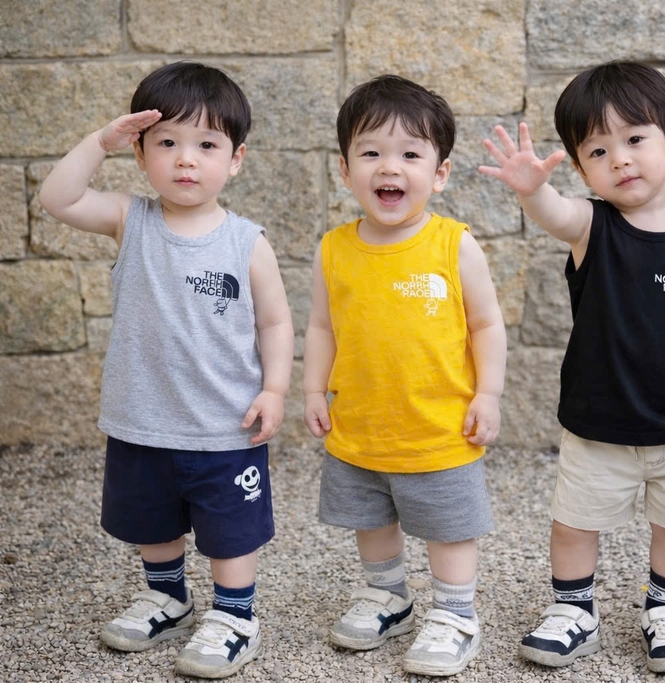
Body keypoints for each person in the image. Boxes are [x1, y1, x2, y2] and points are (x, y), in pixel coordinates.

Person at [479, 60, 665, 673]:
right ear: (582, 170)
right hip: (599, 422)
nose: (620, 160)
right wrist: (531, 190)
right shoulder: (591, 225)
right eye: (599, 151)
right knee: (576, 522)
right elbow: (555, 212)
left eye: (635, 139)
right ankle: (574, 609)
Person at [38, 62, 293, 679]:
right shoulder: (131, 220)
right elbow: (57, 198)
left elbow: (274, 322)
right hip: (141, 420)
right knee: (150, 521)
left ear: (235, 160)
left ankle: (235, 615)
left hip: (225, 427)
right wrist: (100, 140)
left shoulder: (246, 241)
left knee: (231, 531)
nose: (186, 159)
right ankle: (168, 598)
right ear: (140, 154)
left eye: (206, 145)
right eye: (167, 142)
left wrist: (275, 388)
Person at [303, 75, 506, 678]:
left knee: (448, 526)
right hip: (361, 424)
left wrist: (489, 393)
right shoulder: (334, 249)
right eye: (371, 152)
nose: (389, 167)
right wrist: (313, 388)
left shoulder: (453, 245)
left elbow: (486, 325)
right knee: (371, 519)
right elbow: (321, 326)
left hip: (439, 428)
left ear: (439, 173)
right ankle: (388, 594)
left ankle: (455, 612)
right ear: (346, 169)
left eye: (410, 155)